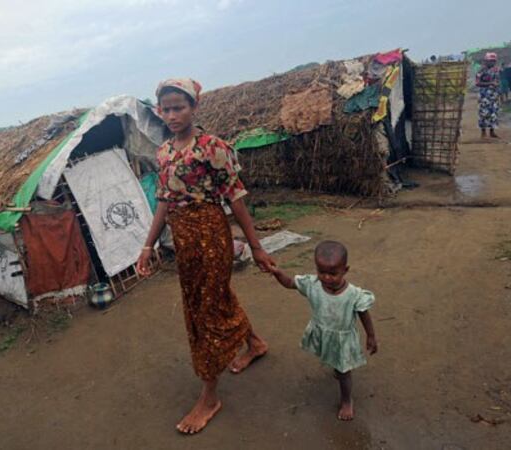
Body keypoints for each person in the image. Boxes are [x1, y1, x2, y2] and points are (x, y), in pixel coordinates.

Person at [136, 78, 276, 435]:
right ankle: (255, 343)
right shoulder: (164, 152)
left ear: (194, 107)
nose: (171, 115)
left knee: (205, 311)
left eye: (178, 107)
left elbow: (236, 198)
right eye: (165, 109)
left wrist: (256, 246)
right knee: (214, 298)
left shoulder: (214, 147)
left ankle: (210, 397)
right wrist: (148, 246)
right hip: (183, 238)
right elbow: (164, 202)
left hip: (211, 234)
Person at [269, 240, 377, 421]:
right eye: (321, 272)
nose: (326, 277)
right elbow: (289, 283)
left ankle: (346, 400)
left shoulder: (353, 295)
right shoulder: (313, 284)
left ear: (345, 270)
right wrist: (278, 273)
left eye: (333, 273)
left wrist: (371, 336)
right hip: (324, 332)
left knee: (344, 373)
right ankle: (337, 367)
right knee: (334, 361)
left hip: (342, 339)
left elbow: (364, 315)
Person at [476, 52, 501, 139]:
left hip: (494, 95)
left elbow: (497, 81)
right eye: (490, 61)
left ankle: (492, 132)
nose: (492, 63)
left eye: (494, 61)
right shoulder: (481, 71)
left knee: (494, 113)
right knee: (483, 113)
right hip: (484, 95)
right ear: (486, 61)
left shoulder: (496, 70)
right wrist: (490, 83)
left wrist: (498, 88)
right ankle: (483, 132)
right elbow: (477, 83)